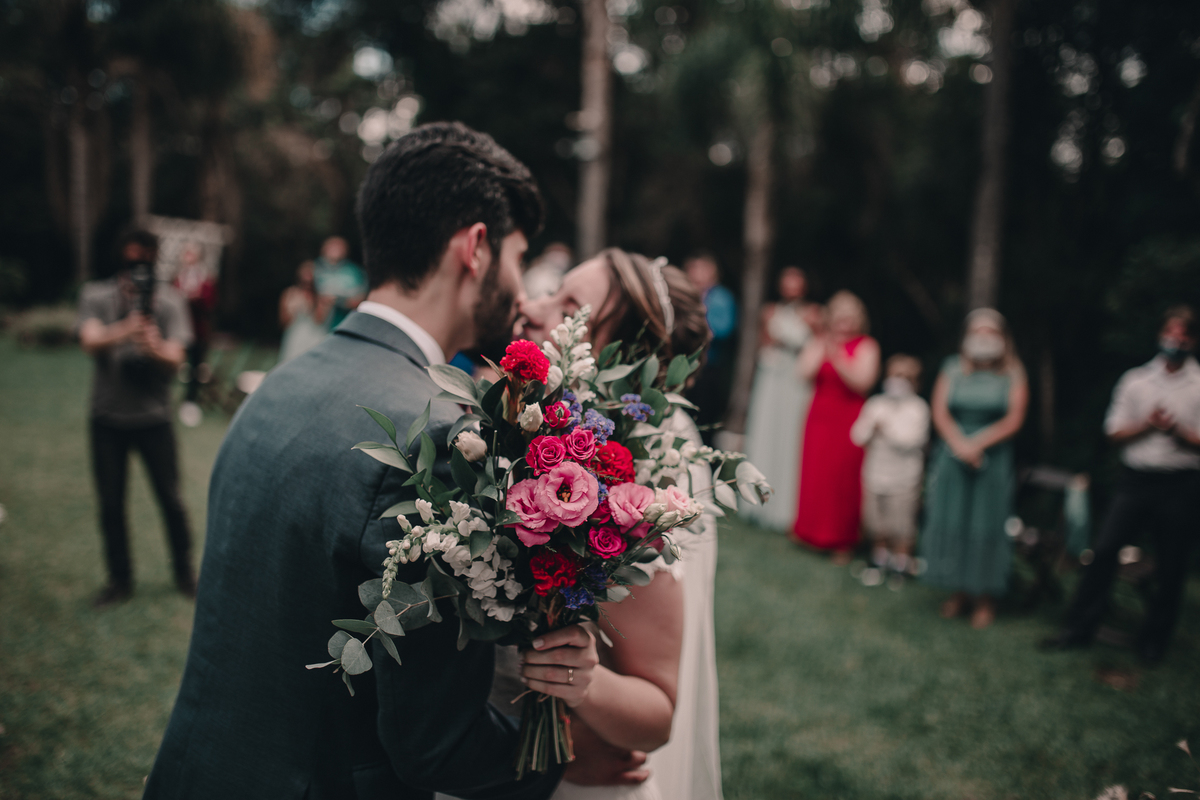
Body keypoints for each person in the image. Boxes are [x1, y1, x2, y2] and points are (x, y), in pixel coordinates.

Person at [145, 122, 601, 799]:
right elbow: (437, 746)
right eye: (516, 257)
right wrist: (568, 749)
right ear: (474, 248)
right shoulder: (441, 436)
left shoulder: (279, 383)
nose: (520, 285)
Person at [516, 248, 721, 800]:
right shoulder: (515, 438)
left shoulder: (634, 500)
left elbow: (657, 716)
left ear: (622, 358)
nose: (530, 306)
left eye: (570, 305)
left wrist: (586, 683)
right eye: (552, 292)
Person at [1042, 306, 1200, 664]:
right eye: (1170, 333)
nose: (1175, 340)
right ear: (1160, 334)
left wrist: (1177, 431)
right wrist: (1147, 425)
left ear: (1193, 340)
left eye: (1184, 335)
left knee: (1172, 565)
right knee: (1105, 551)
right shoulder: (1136, 381)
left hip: (1181, 484)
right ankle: (1079, 628)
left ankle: (1154, 641)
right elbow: (1113, 432)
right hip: (1135, 481)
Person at [76, 228, 196, 606]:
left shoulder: (171, 301)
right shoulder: (96, 295)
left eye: (143, 261)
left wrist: (153, 345)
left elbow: (177, 359)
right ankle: (119, 579)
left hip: (154, 418)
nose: (136, 270)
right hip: (107, 418)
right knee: (111, 503)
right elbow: (90, 340)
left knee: (171, 500)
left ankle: (184, 572)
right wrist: (127, 329)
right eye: (130, 261)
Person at [920, 308, 1028, 630]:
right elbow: (939, 411)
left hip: (992, 459)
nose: (983, 338)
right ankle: (959, 590)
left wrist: (976, 444)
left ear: (1003, 339)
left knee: (986, 523)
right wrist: (960, 445)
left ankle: (986, 596)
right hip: (953, 453)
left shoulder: (1013, 373)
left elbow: (1014, 419)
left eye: (991, 332)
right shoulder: (952, 368)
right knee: (953, 519)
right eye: (977, 331)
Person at [792, 291, 880, 562]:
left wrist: (839, 357)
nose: (844, 325)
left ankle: (843, 539)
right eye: (839, 319)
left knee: (843, 478)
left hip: (849, 419)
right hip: (819, 416)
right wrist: (821, 348)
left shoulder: (866, 346)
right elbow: (802, 374)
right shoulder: (819, 342)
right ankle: (809, 532)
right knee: (815, 473)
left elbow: (862, 381)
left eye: (849, 319)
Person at [741, 266, 816, 531]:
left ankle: (787, 510)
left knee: (791, 439)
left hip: (795, 382)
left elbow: (815, 347)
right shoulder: (770, 311)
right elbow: (765, 343)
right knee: (767, 433)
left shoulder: (813, 314)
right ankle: (760, 503)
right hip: (772, 378)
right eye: (787, 280)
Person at [850, 354, 930, 585]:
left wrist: (886, 430)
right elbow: (857, 436)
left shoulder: (918, 408)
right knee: (876, 524)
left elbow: (912, 441)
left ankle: (901, 566)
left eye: (905, 377)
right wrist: (870, 429)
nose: (898, 381)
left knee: (902, 526)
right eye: (895, 375)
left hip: (904, 479)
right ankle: (879, 562)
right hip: (874, 475)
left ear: (915, 383)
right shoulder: (876, 404)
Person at [684, 253, 737, 445]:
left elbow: (724, 329)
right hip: (685, 365)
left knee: (706, 417)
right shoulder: (685, 295)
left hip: (709, 367)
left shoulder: (721, 298)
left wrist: (696, 328)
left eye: (701, 269)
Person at [173, 242, 217, 428]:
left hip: (198, 331)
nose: (189, 257)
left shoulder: (205, 278)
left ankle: (190, 401)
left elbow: (210, 303)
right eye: (187, 254)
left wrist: (196, 298)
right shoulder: (178, 278)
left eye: (192, 254)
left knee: (195, 368)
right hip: (179, 330)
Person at [278, 260, 332, 362]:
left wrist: (320, 306)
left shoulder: (320, 296)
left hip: (314, 336)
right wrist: (291, 310)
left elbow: (319, 321)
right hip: (295, 336)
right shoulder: (290, 293)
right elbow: (283, 322)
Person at [314, 235, 367, 330]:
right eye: (332, 246)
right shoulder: (314, 269)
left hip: (347, 323)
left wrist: (339, 300)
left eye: (339, 246)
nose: (335, 250)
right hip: (320, 325)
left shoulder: (354, 271)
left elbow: (360, 299)